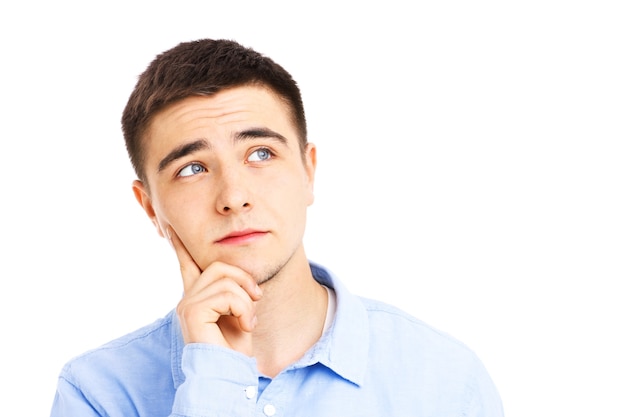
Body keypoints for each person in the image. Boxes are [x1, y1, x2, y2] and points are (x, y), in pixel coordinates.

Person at [50, 38, 504, 417]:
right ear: (151, 208)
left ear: (308, 172)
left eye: (261, 154)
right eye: (192, 169)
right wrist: (214, 378)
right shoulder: (97, 394)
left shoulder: (444, 379)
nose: (233, 196)